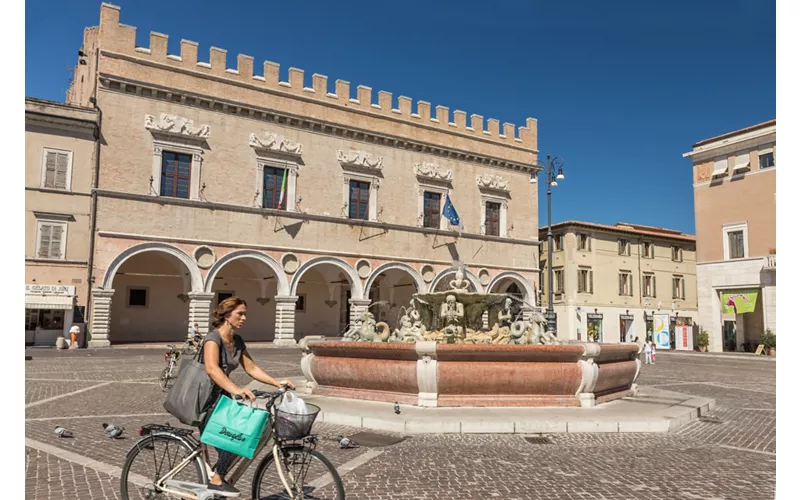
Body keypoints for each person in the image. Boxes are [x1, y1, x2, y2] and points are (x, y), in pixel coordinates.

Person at [200, 296, 295, 497]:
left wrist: (277, 383)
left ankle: (215, 479)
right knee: (233, 439)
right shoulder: (212, 339)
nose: (244, 318)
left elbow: (251, 367)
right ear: (227, 315)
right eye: (240, 313)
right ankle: (216, 481)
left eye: (245, 314)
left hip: (222, 399)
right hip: (204, 401)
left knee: (241, 438)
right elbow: (212, 369)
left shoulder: (237, 341)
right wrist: (236, 389)